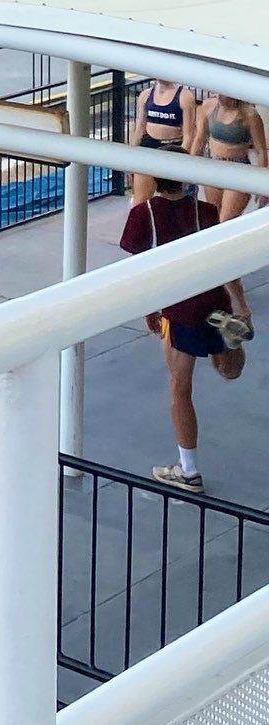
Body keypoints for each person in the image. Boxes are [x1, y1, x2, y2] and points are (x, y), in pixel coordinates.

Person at [121, 174, 249, 493]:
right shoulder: (205, 211)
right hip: (213, 298)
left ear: (155, 180)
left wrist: (149, 307)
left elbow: (139, 268)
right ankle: (230, 339)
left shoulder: (144, 214)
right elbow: (223, 262)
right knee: (229, 370)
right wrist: (240, 304)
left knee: (180, 389)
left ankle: (188, 471)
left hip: (178, 307)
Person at [190, 91, 267, 331]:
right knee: (213, 227)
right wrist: (187, 168)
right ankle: (225, 282)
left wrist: (262, 185)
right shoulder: (208, 108)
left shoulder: (249, 115)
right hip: (214, 167)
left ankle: (240, 304)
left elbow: (262, 151)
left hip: (238, 171)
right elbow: (199, 139)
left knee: (223, 230)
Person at [130, 72, 198, 204]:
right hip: (148, 146)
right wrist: (131, 156)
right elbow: (139, 129)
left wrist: (181, 159)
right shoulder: (145, 95)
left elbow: (189, 135)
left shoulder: (184, 97)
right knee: (140, 201)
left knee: (170, 200)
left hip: (172, 148)